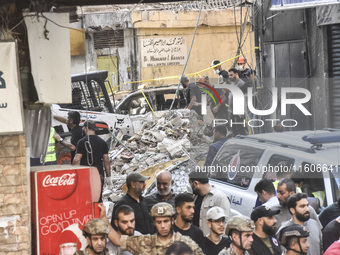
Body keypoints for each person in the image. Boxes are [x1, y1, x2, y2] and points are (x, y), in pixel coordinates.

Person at [102, 202, 204, 255]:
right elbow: (117, 240)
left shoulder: (186, 243)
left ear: (173, 220)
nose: (163, 226)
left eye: (166, 221)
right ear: (154, 223)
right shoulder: (145, 241)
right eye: (159, 222)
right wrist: (104, 218)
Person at [73, 120, 111, 202]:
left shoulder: (81, 142)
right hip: (99, 174)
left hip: (86, 175)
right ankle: (98, 214)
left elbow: (77, 160)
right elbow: (106, 162)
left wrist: (76, 175)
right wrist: (108, 177)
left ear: (85, 129)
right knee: (98, 198)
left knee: (86, 198)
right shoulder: (102, 143)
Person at [189, 170, 231, 236]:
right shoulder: (195, 197)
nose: (190, 186)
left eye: (190, 183)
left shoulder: (220, 197)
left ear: (196, 183)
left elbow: (225, 223)